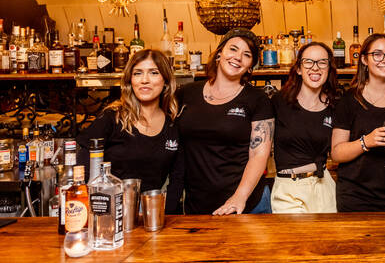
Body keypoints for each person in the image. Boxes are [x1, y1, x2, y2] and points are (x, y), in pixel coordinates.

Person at [166, 28, 274, 215]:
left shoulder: (257, 99)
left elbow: (259, 155)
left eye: (246, 55)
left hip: (248, 204)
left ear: (250, 66)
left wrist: (239, 196)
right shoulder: (186, 93)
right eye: (233, 49)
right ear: (219, 54)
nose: (238, 57)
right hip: (197, 204)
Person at [330, 33, 385, 212]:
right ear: (363, 59)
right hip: (356, 197)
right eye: (377, 54)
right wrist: (366, 141)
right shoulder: (349, 99)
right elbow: (337, 153)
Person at [76, 49, 179, 191]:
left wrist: (166, 211)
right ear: (130, 81)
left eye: (154, 73)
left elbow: (177, 177)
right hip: (111, 206)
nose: (144, 80)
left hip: (152, 208)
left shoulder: (173, 124)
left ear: (166, 81)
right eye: (137, 73)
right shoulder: (113, 117)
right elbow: (82, 166)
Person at [271, 42, 338, 213]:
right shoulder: (279, 102)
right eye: (308, 62)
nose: (315, 68)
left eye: (322, 62)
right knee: (295, 239)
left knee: (329, 240)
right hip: (288, 190)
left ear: (329, 69)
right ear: (299, 69)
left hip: (324, 186)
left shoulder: (335, 106)